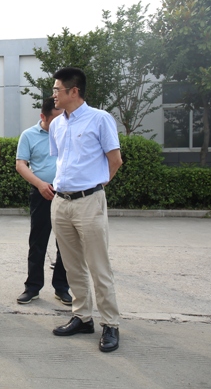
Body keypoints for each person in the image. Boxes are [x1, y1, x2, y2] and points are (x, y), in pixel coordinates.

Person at [49, 67, 122, 353]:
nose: (54, 94)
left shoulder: (100, 119)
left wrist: (96, 186)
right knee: (72, 265)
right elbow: (61, 161)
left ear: (74, 91)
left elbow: (115, 160)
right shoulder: (57, 124)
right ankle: (82, 317)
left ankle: (110, 323)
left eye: (57, 89)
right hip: (61, 202)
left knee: (98, 266)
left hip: (89, 201)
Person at [15, 97, 71, 305]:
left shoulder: (68, 132)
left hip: (67, 194)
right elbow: (21, 164)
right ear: (43, 117)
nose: (60, 123)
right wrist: (40, 184)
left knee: (65, 243)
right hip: (41, 194)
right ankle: (33, 287)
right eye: (55, 119)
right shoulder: (29, 135)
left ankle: (62, 288)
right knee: (38, 242)